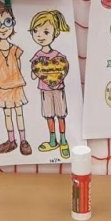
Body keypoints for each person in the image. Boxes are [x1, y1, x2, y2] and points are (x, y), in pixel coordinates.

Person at [0, 0, 30, 156]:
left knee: (19, 113)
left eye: (7, 22)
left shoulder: (15, 49)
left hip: (16, 85)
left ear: (13, 23)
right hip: (3, 87)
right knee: (7, 114)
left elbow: (19, 66)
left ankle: (23, 141)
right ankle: (11, 140)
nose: (3, 28)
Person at [28, 9, 72, 159]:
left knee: (61, 115)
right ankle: (53, 140)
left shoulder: (59, 56)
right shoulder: (37, 57)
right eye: (35, 31)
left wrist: (57, 74)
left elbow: (63, 70)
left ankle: (63, 140)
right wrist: (36, 70)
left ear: (55, 33)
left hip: (58, 89)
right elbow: (33, 75)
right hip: (45, 90)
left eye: (46, 32)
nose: (40, 36)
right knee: (49, 115)